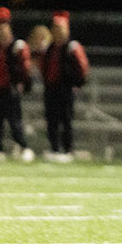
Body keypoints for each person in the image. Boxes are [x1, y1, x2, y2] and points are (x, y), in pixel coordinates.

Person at [0, 7, 35, 162]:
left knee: (15, 121)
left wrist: (23, 84)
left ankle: (23, 147)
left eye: (3, 26)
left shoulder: (17, 46)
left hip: (11, 89)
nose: (0, 30)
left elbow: (25, 69)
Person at [40, 10, 89, 162]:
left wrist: (76, 84)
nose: (58, 31)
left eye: (61, 28)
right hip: (51, 89)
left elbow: (82, 68)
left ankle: (68, 150)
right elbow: (44, 67)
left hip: (65, 89)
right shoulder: (50, 48)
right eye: (55, 28)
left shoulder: (72, 47)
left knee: (66, 120)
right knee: (52, 120)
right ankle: (54, 148)